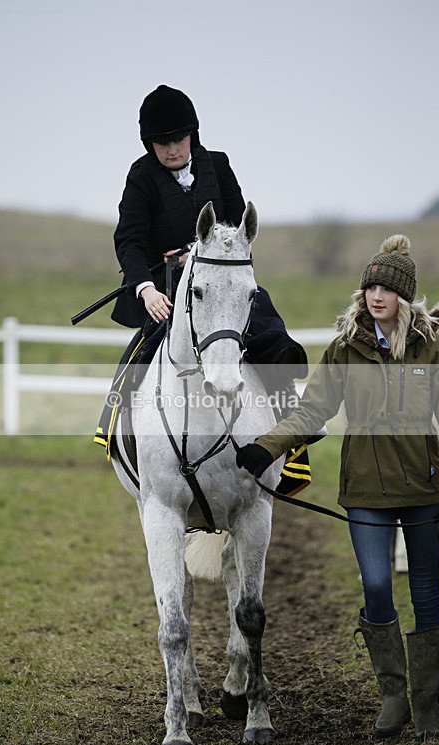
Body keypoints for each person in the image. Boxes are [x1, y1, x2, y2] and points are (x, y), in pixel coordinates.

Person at [236, 234, 439, 740]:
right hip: (364, 490)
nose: (376, 296)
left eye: (387, 289)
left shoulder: (433, 347)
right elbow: (312, 410)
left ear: (403, 297)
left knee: (427, 593)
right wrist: (265, 446)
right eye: (370, 287)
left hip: (426, 492)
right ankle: (392, 696)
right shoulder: (346, 348)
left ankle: (427, 704)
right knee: (378, 587)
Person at [97, 85, 312, 495]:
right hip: (165, 287)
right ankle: (115, 428)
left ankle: (294, 425)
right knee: (139, 357)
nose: (172, 149)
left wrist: (208, 253)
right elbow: (129, 240)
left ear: (192, 134)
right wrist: (145, 288)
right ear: (150, 144)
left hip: (221, 277)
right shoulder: (140, 177)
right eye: (162, 143)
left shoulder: (219, 164)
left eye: (178, 139)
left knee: (267, 328)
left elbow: (236, 222)